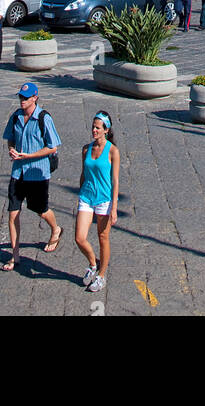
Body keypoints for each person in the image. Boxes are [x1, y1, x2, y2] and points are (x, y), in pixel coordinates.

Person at [1, 82, 62, 272]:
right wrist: (11, 149)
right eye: (20, 97)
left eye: (26, 98)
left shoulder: (44, 118)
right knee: (13, 213)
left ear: (35, 98)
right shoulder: (16, 117)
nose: (22, 101)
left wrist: (29, 156)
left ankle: (56, 229)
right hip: (18, 172)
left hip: (37, 173)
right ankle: (15, 255)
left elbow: (53, 147)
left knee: (40, 209)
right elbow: (10, 137)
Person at [74, 110, 120, 294]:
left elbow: (115, 181)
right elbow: (83, 174)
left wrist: (114, 208)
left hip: (104, 200)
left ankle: (101, 275)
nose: (94, 130)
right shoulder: (86, 149)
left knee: (103, 238)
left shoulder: (113, 151)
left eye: (97, 127)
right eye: (93, 127)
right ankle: (93, 263)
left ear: (106, 130)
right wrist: (79, 193)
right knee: (79, 238)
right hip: (86, 197)